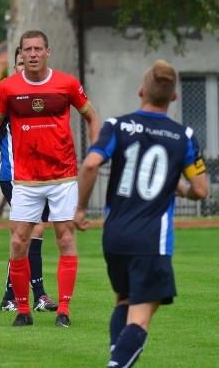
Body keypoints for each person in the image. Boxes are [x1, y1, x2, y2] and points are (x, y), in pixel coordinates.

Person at [73, 60, 208, 367]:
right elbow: (201, 190)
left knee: (124, 301)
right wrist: (180, 189)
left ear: (141, 91)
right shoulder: (183, 136)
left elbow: (91, 164)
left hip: (115, 235)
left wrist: (80, 208)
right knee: (141, 318)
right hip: (151, 240)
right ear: (173, 98)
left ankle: (117, 358)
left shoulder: (116, 126)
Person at [0, 29, 100, 328]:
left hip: (62, 178)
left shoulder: (67, 84)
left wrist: (97, 154)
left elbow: (92, 117)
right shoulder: (7, 87)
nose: (32, 54)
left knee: (66, 239)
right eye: (27, 50)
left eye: (38, 48)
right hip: (25, 180)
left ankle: (64, 311)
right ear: (20, 54)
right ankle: (23, 311)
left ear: (48, 51)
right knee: (19, 242)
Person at [0, 47, 58, 313]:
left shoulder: (43, 98)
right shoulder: (7, 97)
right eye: (19, 63)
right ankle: (36, 295)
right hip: (14, 176)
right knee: (34, 230)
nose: (24, 67)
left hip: (41, 177)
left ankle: (11, 295)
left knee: (26, 234)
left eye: (27, 63)